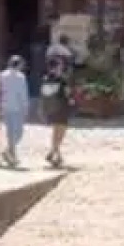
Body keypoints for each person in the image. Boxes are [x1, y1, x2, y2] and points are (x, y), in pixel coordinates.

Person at [41, 34, 76, 168]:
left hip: (50, 107)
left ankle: (55, 153)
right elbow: (67, 93)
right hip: (61, 106)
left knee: (56, 130)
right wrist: (72, 100)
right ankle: (54, 152)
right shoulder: (62, 79)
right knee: (61, 130)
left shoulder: (46, 78)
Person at [0, 55, 31, 168]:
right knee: (18, 133)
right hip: (16, 107)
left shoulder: (2, 75)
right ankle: (7, 152)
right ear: (19, 64)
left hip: (4, 106)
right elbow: (23, 93)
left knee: (10, 133)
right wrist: (26, 107)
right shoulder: (21, 77)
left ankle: (12, 156)